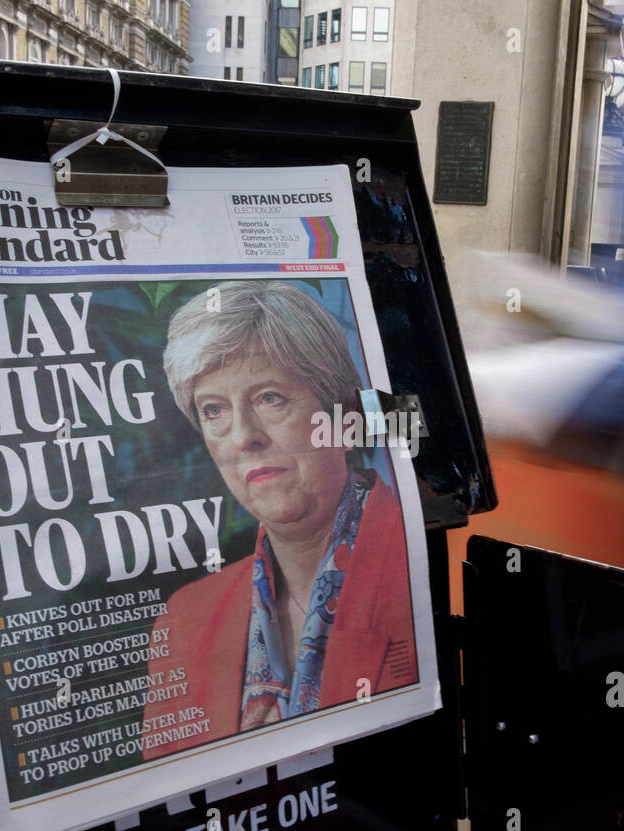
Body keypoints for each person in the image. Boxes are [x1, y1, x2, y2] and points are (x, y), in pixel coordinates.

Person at [141, 280, 418, 761]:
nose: (244, 436)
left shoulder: (422, 569)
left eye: (270, 398)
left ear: (343, 416)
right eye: (213, 410)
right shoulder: (184, 618)